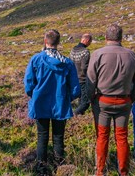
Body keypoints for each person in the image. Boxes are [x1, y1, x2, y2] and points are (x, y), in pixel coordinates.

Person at [87, 24, 135, 176]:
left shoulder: (97, 54)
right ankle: (123, 172)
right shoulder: (132, 55)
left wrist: (91, 98)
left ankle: (100, 171)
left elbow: (90, 80)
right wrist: (133, 98)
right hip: (124, 102)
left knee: (102, 136)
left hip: (103, 102)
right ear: (121, 37)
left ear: (106, 37)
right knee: (122, 137)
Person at [24, 29, 80, 174]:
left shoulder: (36, 59)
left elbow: (29, 83)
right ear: (58, 42)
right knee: (58, 137)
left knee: (42, 136)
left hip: (40, 103)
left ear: (45, 41)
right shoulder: (67, 62)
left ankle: (41, 168)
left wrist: (34, 95)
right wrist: (67, 98)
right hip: (60, 104)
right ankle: (59, 167)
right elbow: (75, 89)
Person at [69, 33, 93, 115]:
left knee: (80, 100)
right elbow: (84, 68)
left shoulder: (73, 50)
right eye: (90, 42)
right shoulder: (85, 52)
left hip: (73, 79)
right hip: (82, 80)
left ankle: (78, 117)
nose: (90, 44)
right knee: (85, 103)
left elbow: (70, 64)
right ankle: (73, 114)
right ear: (86, 40)